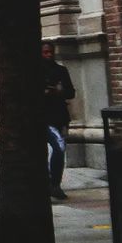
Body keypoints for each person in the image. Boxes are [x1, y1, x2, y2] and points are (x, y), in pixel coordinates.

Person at [42, 41, 76, 200]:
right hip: (44, 117)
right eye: (45, 52)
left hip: (60, 117)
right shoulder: (36, 72)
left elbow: (70, 92)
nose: (48, 55)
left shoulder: (61, 70)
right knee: (58, 147)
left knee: (60, 150)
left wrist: (59, 91)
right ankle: (52, 183)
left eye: (50, 52)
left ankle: (55, 183)